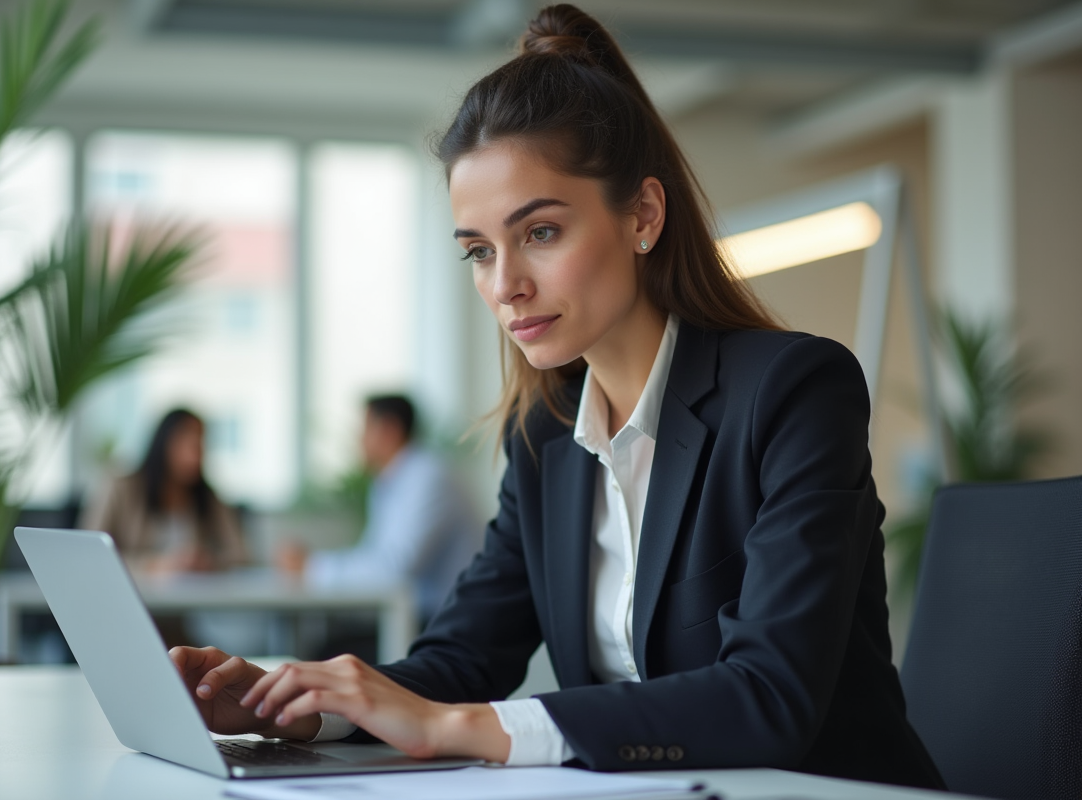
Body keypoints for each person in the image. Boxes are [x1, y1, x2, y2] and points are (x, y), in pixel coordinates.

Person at [167, 5, 944, 788]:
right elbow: (466, 656)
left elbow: (770, 699)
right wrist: (296, 710)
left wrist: (452, 727)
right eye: (478, 250)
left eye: (539, 233)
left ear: (642, 215)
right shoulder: (545, 436)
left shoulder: (792, 391)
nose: (504, 286)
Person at [277, 394, 482, 624]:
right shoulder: (389, 481)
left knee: (326, 648)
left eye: (364, 429)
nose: (359, 440)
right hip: (413, 617)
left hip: (441, 621)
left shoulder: (428, 478)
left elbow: (395, 570)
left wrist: (313, 568)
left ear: (389, 430)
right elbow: (374, 556)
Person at [81, 408, 247, 573]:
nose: (196, 454)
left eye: (200, 443)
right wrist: (153, 565)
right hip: (133, 593)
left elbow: (241, 554)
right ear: (164, 444)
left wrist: (208, 562)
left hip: (193, 596)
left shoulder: (208, 496)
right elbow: (89, 553)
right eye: (187, 443)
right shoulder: (121, 489)